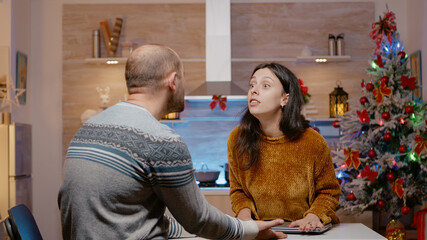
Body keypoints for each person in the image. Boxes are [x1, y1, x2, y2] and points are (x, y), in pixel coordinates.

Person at [58, 44, 287, 240]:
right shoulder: (159, 139)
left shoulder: (87, 129)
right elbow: (199, 219)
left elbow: (134, 215)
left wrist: (194, 230)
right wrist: (251, 230)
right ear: (173, 80)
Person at [227, 62, 341, 232]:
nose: (254, 90)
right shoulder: (237, 139)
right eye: (252, 84)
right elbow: (238, 191)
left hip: (305, 233)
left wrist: (314, 215)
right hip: (260, 233)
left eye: (265, 85)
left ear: (285, 98)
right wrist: (244, 216)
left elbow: (329, 192)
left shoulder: (312, 141)